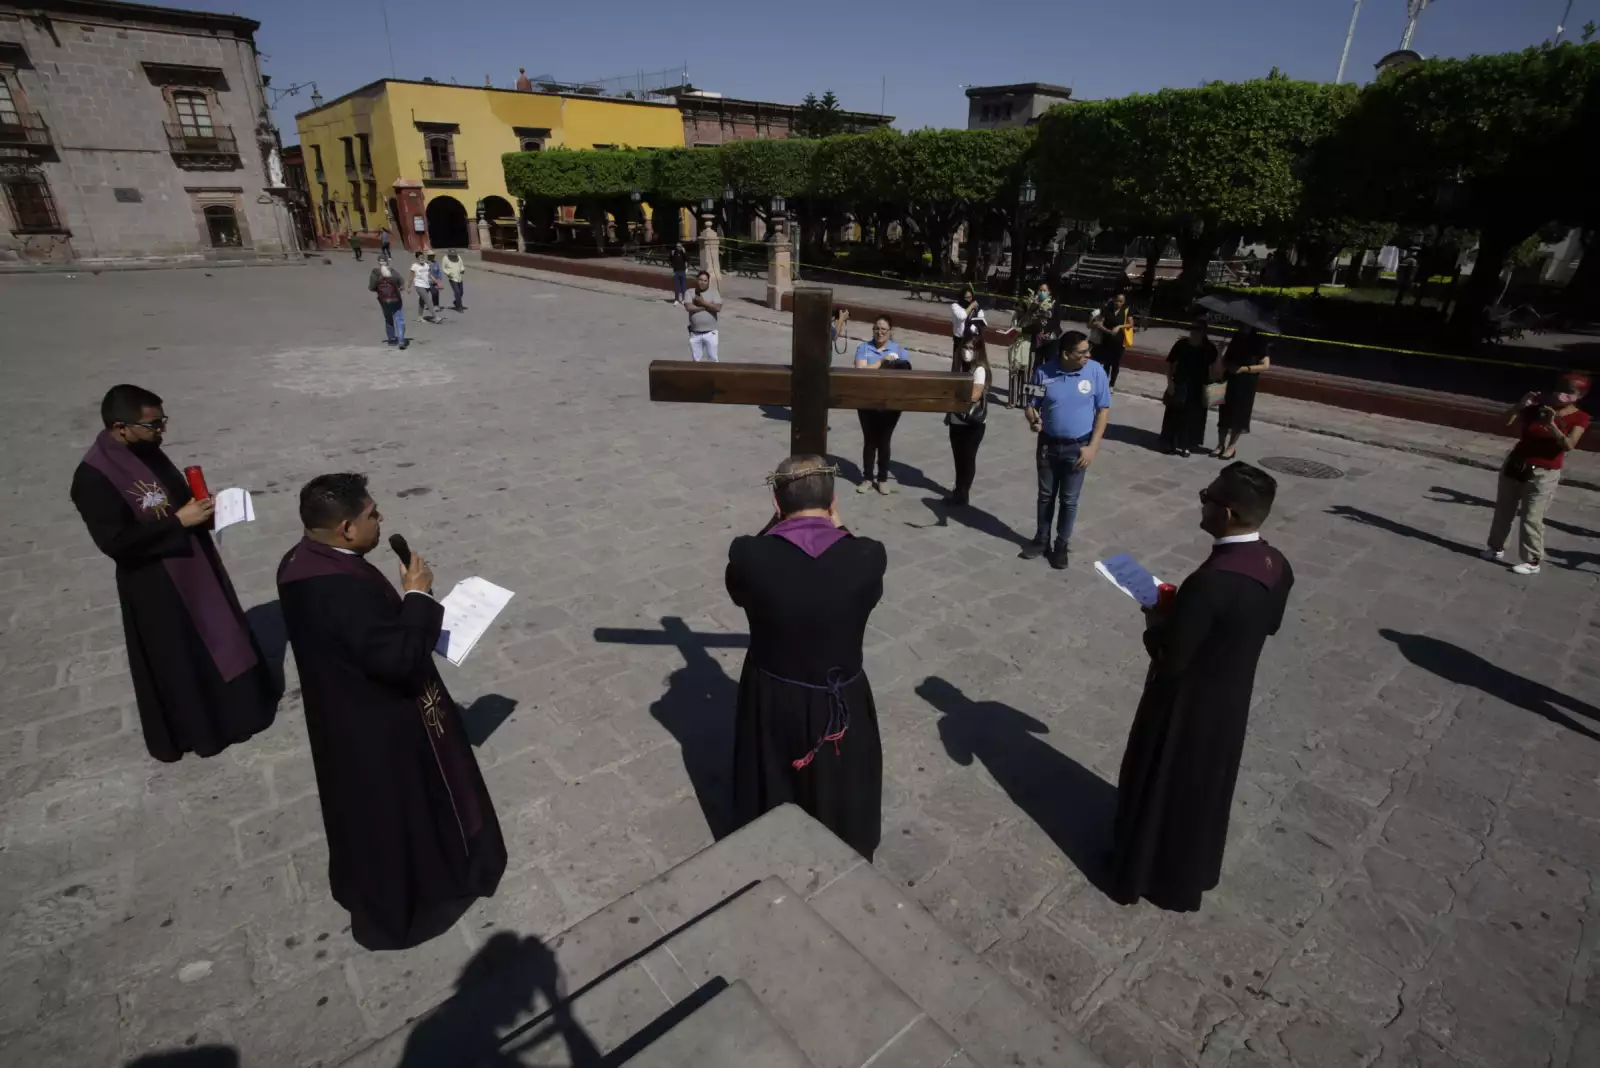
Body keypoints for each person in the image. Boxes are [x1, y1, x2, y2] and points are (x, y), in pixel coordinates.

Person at [276, 473, 506, 950]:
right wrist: (417, 596)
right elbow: (400, 660)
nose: (380, 519)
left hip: (342, 712)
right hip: (381, 723)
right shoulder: (340, 589)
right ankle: (425, 887)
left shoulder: (297, 563)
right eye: (372, 514)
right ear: (345, 529)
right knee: (403, 810)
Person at [1110, 462, 1294, 911]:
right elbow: (1268, 623)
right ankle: (1194, 870)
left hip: (1185, 708)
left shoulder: (1210, 583)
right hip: (1230, 700)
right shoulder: (1276, 564)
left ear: (1226, 513)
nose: (1202, 503)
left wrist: (1157, 619)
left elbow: (1171, 658)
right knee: (1204, 792)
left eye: (1206, 497)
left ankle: (1145, 873)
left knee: (1165, 786)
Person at [69, 385, 280, 762]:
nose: (162, 430)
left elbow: (173, 497)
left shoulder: (147, 448)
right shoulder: (92, 477)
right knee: (183, 658)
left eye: (162, 421)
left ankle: (244, 711)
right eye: (153, 424)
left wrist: (202, 509)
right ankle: (206, 729)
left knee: (223, 634)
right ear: (120, 427)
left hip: (194, 561)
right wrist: (179, 522)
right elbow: (115, 543)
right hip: (156, 585)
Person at [726, 455, 886, 859]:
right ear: (833, 503)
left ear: (776, 505)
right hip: (841, 700)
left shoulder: (749, 556)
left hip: (771, 695)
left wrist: (774, 525)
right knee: (842, 799)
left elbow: (737, 591)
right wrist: (840, 528)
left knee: (770, 787)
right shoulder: (868, 558)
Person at [1482, 373, 1590, 576]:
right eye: (1560, 388)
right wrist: (1520, 406)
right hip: (1517, 464)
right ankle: (1496, 547)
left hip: (1544, 472)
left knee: (1531, 517)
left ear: (1580, 395)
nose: (1562, 394)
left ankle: (1532, 560)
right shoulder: (1538, 406)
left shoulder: (1580, 417)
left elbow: (1569, 445)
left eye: (1570, 392)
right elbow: (1504, 423)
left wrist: (1552, 425)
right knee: (1504, 510)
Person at [1022, 330, 1111, 569]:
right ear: (1065, 354)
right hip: (1048, 445)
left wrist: (1092, 447)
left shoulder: (1096, 371)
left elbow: (1103, 410)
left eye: (1088, 350)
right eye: (1082, 352)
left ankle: (1061, 545)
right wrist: (1033, 419)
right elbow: (1030, 405)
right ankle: (1041, 539)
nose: (1088, 355)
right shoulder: (1043, 372)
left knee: (1069, 500)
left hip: (1078, 447)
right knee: (1045, 496)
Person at [852, 315, 909, 495]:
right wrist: (881, 363)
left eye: (883, 329)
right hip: (866, 401)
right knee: (869, 440)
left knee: (884, 440)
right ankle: (868, 477)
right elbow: (860, 372)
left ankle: (882, 478)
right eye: (877, 328)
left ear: (890, 331)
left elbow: (905, 377)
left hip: (890, 403)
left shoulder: (899, 350)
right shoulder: (863, 348)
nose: (880, 332)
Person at [945, 326, 992, 507]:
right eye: (965, 347)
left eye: (971, 348)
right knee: (958, 458)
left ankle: (963, 492)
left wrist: (952, 394)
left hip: (972, 422)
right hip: (956, 420)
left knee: (968, 457)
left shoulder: (979, 370)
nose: (967, 351)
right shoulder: (959, 367)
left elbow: (974, 395)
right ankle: (958, 489)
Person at [1160, 318, 1218, 457]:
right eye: (1192, 328)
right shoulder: (1181, 344)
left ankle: (1186, 445)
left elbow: (1215, 369)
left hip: (1199, 387)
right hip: (1180, 383)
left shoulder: (1209, 348)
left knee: (1193, 416)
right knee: (1174, 414)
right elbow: (1169, 363)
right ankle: (1170, 443)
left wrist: (1212, 389)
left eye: (1197, 329)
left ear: (1204, 332)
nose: (1193, 332)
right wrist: (1170, 383)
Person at [1212, 326, 1271, 459]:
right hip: (1229, 379)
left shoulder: (1260, 341)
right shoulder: (1236, 337)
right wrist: (1222, 355)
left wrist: (1243, 369)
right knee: (1224, 412)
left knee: (1239, 414)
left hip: (1246, 383)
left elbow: (1265, 365)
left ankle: (1231, 447)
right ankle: (1220, 445)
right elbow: (1226, 359)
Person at [1007, 283, 1054, 408]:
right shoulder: (1017, 317)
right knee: (1014, 372)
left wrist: (1022, 330)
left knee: (1028, 374)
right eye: (1040, 290)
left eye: (1044, 290)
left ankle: (1026, 401)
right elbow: (1011, 330)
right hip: (1018, 345)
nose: (1018, 310)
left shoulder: (1042, 310)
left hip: (1034, 346)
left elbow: (1039, 327)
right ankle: (1013, 400)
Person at [1090, 291, 1133, 389]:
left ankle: (1112, 384)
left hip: (1119, 341)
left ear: (1124, 302)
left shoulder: (1126, 310)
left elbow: (1131, 324)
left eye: (1120, 301)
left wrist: (1119, 326)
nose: (1118, 303)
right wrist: (1108, 331)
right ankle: (1104, 383)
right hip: (1107, 340)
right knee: (1106, 363)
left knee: (1115, 364)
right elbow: (1099, 323)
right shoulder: (1108, 309)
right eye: (1117, 301)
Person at [368, 257, 409, 349]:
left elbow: (371, 287)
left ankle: (391, 339)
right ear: (387, 262)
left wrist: (379, 289)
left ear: (378, 262)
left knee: (388, 319)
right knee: (399, 319)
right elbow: (401, 282)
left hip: (384, 300)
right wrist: (399, 288)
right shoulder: (393, 272)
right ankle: (401, 340)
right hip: (396, 299)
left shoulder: (375, 273)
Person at [685, 269, 721, 362]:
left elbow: (718, 308)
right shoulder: (689, 292)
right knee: (696, 360)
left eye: (705, 281)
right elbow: (689, 307)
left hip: (711, 333)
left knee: (713, 359)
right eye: (700, 280)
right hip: (695, 333)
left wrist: (702, 302)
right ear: (697, 280)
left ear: (708, 282)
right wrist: (707, 306)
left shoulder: (714, 292)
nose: (702, 282)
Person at [949, 285, 985, 363]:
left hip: (971, 339)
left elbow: (981, 315)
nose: (969, 299)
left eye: (971, 297)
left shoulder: (975, 307)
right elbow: (962, 316)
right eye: (967, 297)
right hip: (960, 339)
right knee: (958, 362)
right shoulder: (955, 306)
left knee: (970, 362)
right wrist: (971, 307)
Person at [410, 250, 434, 321]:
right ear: (417, 258)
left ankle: (419, 317)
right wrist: (408, 287)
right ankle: (435, 317)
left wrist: (437, 282)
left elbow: (429, 275)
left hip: (426, 285)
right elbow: (411, 277)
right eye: (420, 257)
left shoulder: (426, 265)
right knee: (428, 300)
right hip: (419, 285)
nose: (422, 259)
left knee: (422, 301)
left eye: (423, 257)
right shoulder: (414, 266)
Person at [427, 251, 444, 316]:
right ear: (428, 256)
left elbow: (439, 272)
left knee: (436, 293)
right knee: (433, 293)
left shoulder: (436, 263)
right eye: (431, 255)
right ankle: (434, 305)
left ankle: (437, 305)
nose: (432, 257)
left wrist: (439, 279)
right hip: (429, 281)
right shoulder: (426, 264)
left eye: (433, 255)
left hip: (436, 281)